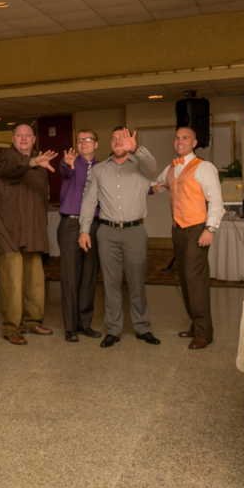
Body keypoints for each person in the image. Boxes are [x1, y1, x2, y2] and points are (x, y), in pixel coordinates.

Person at [79, 128, 158, 347]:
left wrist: (136, 149)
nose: (117, 142)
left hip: (135, 231)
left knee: (136, 282)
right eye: (114, 139)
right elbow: (88, 201)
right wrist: (84, 229)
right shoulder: (99, 170)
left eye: (122, 139)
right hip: (107, 232)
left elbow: (152, 166)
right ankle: (113, 329)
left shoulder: (141, 166)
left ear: (130, 142)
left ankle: (142, 327)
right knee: (110, 284)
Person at [152, 127, 224, 350]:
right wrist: (159, 186)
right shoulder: (171, 168)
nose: (180, 141)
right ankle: (196, 324)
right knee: (184, 278)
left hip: (197, 228)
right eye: (177, 138)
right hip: (177, 230)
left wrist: (209, 229)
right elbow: (157, 186)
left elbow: (216, 201)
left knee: (196, 279)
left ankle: (204, 332)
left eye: (185, 138)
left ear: (194, 143)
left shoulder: (204, 167)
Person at [0, 124, 55, 345]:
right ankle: (11, 328)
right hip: (9, 232)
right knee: (12, 282)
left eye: (27, 135)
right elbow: (14, 167)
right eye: (19, 135)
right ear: (12, 138)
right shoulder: (6, 159)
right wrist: (31, 162)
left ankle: (32, 322)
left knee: (35, 281)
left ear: (34, 139)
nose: (23, 139)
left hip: (33, 231)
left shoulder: (40, 161)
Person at [57, 129, 102, 342]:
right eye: (79, 140)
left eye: (87, 140)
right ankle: (70, 327)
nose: (83, 143)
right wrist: (67, 163)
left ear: (96, 144)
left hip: (94, 225)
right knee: (70, 277)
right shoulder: (71, 163)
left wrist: (151, 188)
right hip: (71, 225)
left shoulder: (104, 167)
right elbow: (64, 171)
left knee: (89, 276)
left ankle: (85, 324)